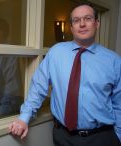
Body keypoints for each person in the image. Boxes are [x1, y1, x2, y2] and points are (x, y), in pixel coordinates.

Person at [8, 4, 121, 146]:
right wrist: (24, 117)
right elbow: (38, 88)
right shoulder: (56, 53)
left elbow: (119, 103)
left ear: (97, 23)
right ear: (71, 26)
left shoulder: (114, 61)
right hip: (63, 137)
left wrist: (118, 137)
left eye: (88, 18)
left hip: (101, 138)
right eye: (76, 20)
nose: (82, 24)